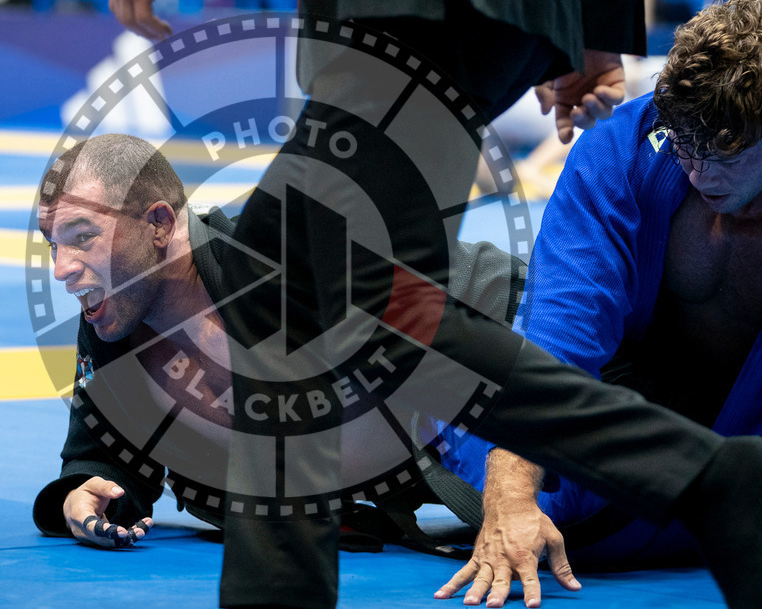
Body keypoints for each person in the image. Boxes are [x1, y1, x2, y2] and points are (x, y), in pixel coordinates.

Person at [104, 0, 762, 609]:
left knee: (367, 310)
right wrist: (595, 27)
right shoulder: (625, 150)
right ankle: (277, 592)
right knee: (287, 285)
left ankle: (699, 474)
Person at [439, 0, 762, 577]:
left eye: (727, 155)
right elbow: (560, 338)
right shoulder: (623, 148)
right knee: (542, 499)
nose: (700, 172)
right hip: (618, 386)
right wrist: (512, 492)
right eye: (686, 145)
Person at [33, 132, 526, 550]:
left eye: (83, 237)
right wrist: (84, 494)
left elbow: (480, 292)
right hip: (426, 468)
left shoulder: (279, 261)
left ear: (159, 224)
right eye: (53, 243)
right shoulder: (114, 322)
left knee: (559, 512)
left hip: (513, 346)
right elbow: (105, 455)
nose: (61, 269)